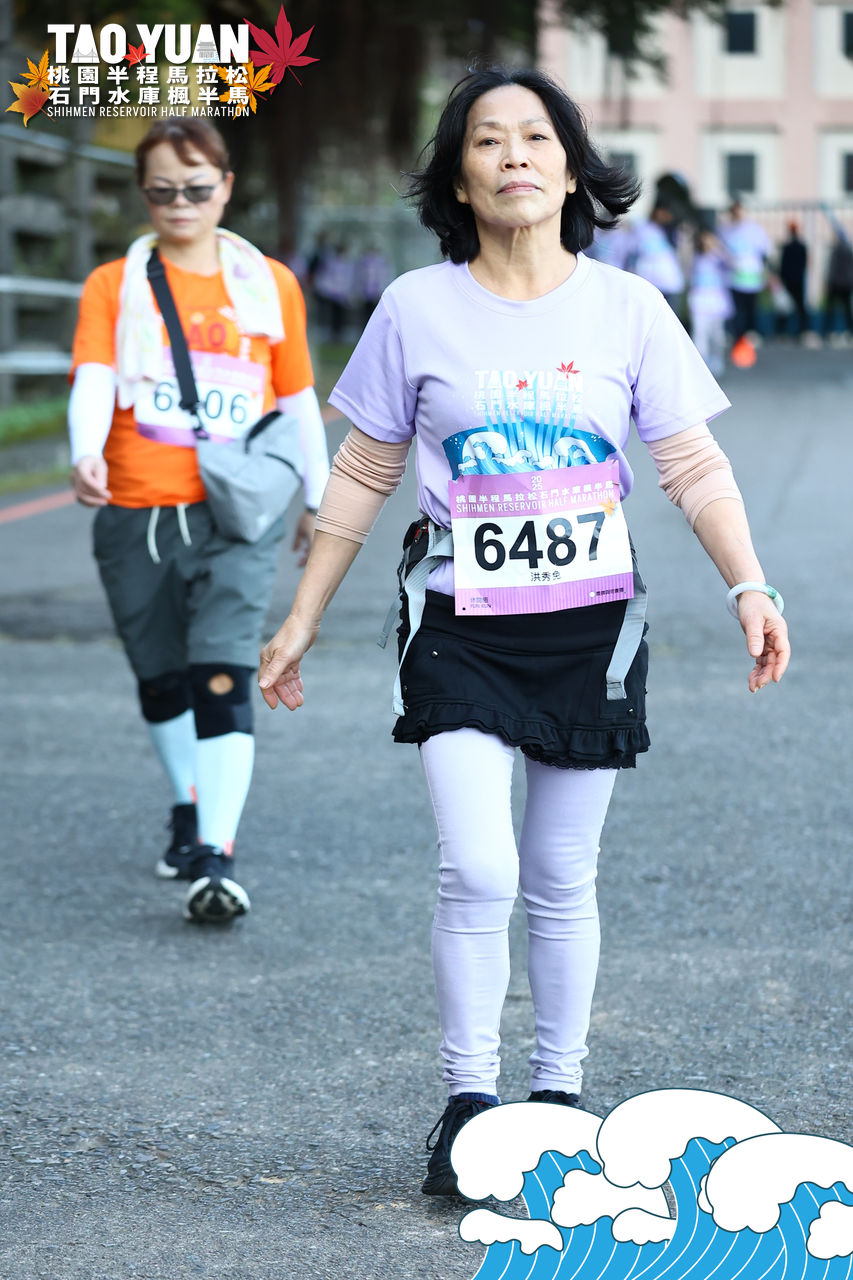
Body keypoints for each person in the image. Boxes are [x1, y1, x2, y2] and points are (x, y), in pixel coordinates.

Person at [258, 68, 790, 1195]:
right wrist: (299, 617)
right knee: (478, 865)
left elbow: (691, 464)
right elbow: (363, 472)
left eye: (536, 138)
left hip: (590, 627)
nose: (513, 156)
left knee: (558, 871)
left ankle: (557, 1100)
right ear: (459, 177)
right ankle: (468, 1104)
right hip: (458, 621)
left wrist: (751, 586)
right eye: (487, 140)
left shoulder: (628, 308)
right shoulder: (415, 307)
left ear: (569, 166)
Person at [69, 117, 329, 924]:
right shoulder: (114, 284)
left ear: (225, 188)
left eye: (195, 188)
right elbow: (93, 376)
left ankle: (215, 854)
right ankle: (187, 804)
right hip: (134, 509)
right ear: (143, 194)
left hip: (236, 512)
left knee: (221, 672)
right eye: (161, 190)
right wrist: (84, 452)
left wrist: (318, 500)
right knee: (160, 679)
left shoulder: (269, 284)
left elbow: (296, 400)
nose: (179, 203)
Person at [719, 200, 771, 351]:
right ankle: (737, 336)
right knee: (737, 310)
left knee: (750, 309)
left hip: (751, 278)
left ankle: (749, 335)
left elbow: (765, 251)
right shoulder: (725, 230)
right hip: (734, 278)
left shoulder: (754, 229)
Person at [688, 228, 733, 376]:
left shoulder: (719, 258)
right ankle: (700, 364)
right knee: (700, 333)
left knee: (716, 334)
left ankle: (716, 361)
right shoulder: (696, 258)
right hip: (700, 298)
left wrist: (718, 248)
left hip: (716, 299)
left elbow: (732, 263)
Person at [627, 202, 685, 313]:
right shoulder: (641, 227)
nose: (666, 216)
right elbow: (632, 253)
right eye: (664, 212)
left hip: (670, 284)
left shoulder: (668, 231)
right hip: (650, 283)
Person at [778, 222, 810, 339]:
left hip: (789, 280)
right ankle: (802, 330)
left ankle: (783, 331)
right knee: (797, 307)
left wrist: (783, 278)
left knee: (786, 307)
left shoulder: (788, 247)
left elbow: (783, 266)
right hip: (798, 280)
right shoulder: (801, 247)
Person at [823, 231, 853, 345]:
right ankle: (849, 332)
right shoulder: (849, 251)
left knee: (830, 309)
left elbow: (832, 267)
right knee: (847, 311)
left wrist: (828, 283)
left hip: (836, 283)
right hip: (846, 284)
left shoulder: (836, 251)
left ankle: (828, 331)